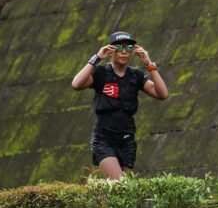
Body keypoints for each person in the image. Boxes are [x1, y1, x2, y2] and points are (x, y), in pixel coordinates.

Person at [71, 31, 168, 179]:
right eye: (119, 48)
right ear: (111, 51)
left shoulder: (135, 75)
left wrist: (149, 65)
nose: (124, 52)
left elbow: (162, 94)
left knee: (123, 193)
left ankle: (101, 201)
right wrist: (96, 58)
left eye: (129, 48)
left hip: (127, 140)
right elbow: (76, 84)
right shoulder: (101, 73)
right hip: (104, 139)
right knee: (120, 185)